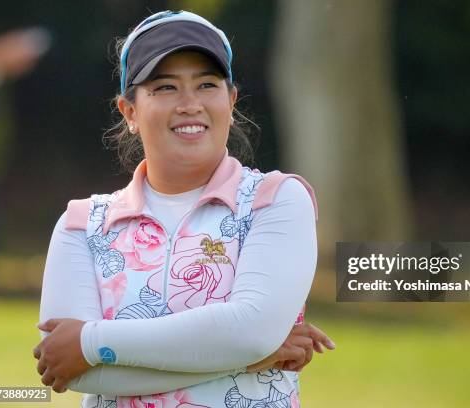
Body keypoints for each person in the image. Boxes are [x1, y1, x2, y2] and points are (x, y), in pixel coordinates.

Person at [34, 10, 334, 408]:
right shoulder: (81, 225)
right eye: (165, 88)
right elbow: (75, 370)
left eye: (207, 84)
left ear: (230, 101)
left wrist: (90, 342)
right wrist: (251, 359)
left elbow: (249, 332)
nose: (189, 104)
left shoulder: (276, 199)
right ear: (130, 112)